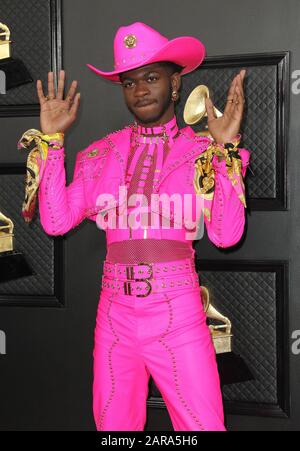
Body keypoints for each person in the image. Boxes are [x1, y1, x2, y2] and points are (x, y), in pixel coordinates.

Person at [18, 21, 251, 431]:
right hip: (114, 317)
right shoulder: (99, 154)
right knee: (114, 430)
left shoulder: (201, 152)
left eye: (150, 78)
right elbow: (55, 222)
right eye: (129, 82)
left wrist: (225, 151)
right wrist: (52, 143)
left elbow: (226, 234)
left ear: (175, 84)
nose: (140, 90)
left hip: (178, 314)